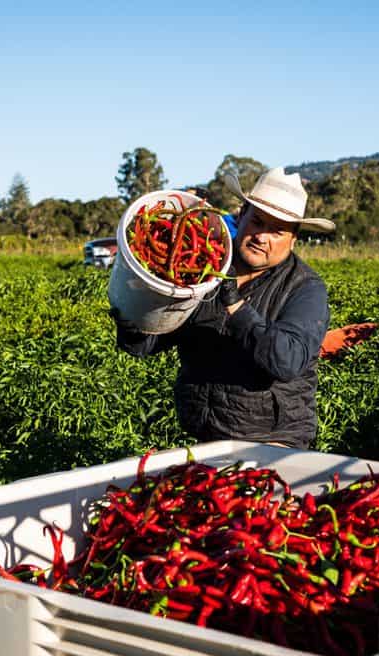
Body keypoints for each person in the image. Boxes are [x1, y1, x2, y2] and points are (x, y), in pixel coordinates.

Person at [113, 167, 334, 448]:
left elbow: (286, 361)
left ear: (293, 239)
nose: (261, 236)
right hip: (205, 436)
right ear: (241, 216)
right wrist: (133, 315)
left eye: (276, 231)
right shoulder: (204, 274)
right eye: (257, 222)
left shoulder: (304, 288)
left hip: (273, 440)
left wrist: (235, 305)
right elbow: (151, 342)